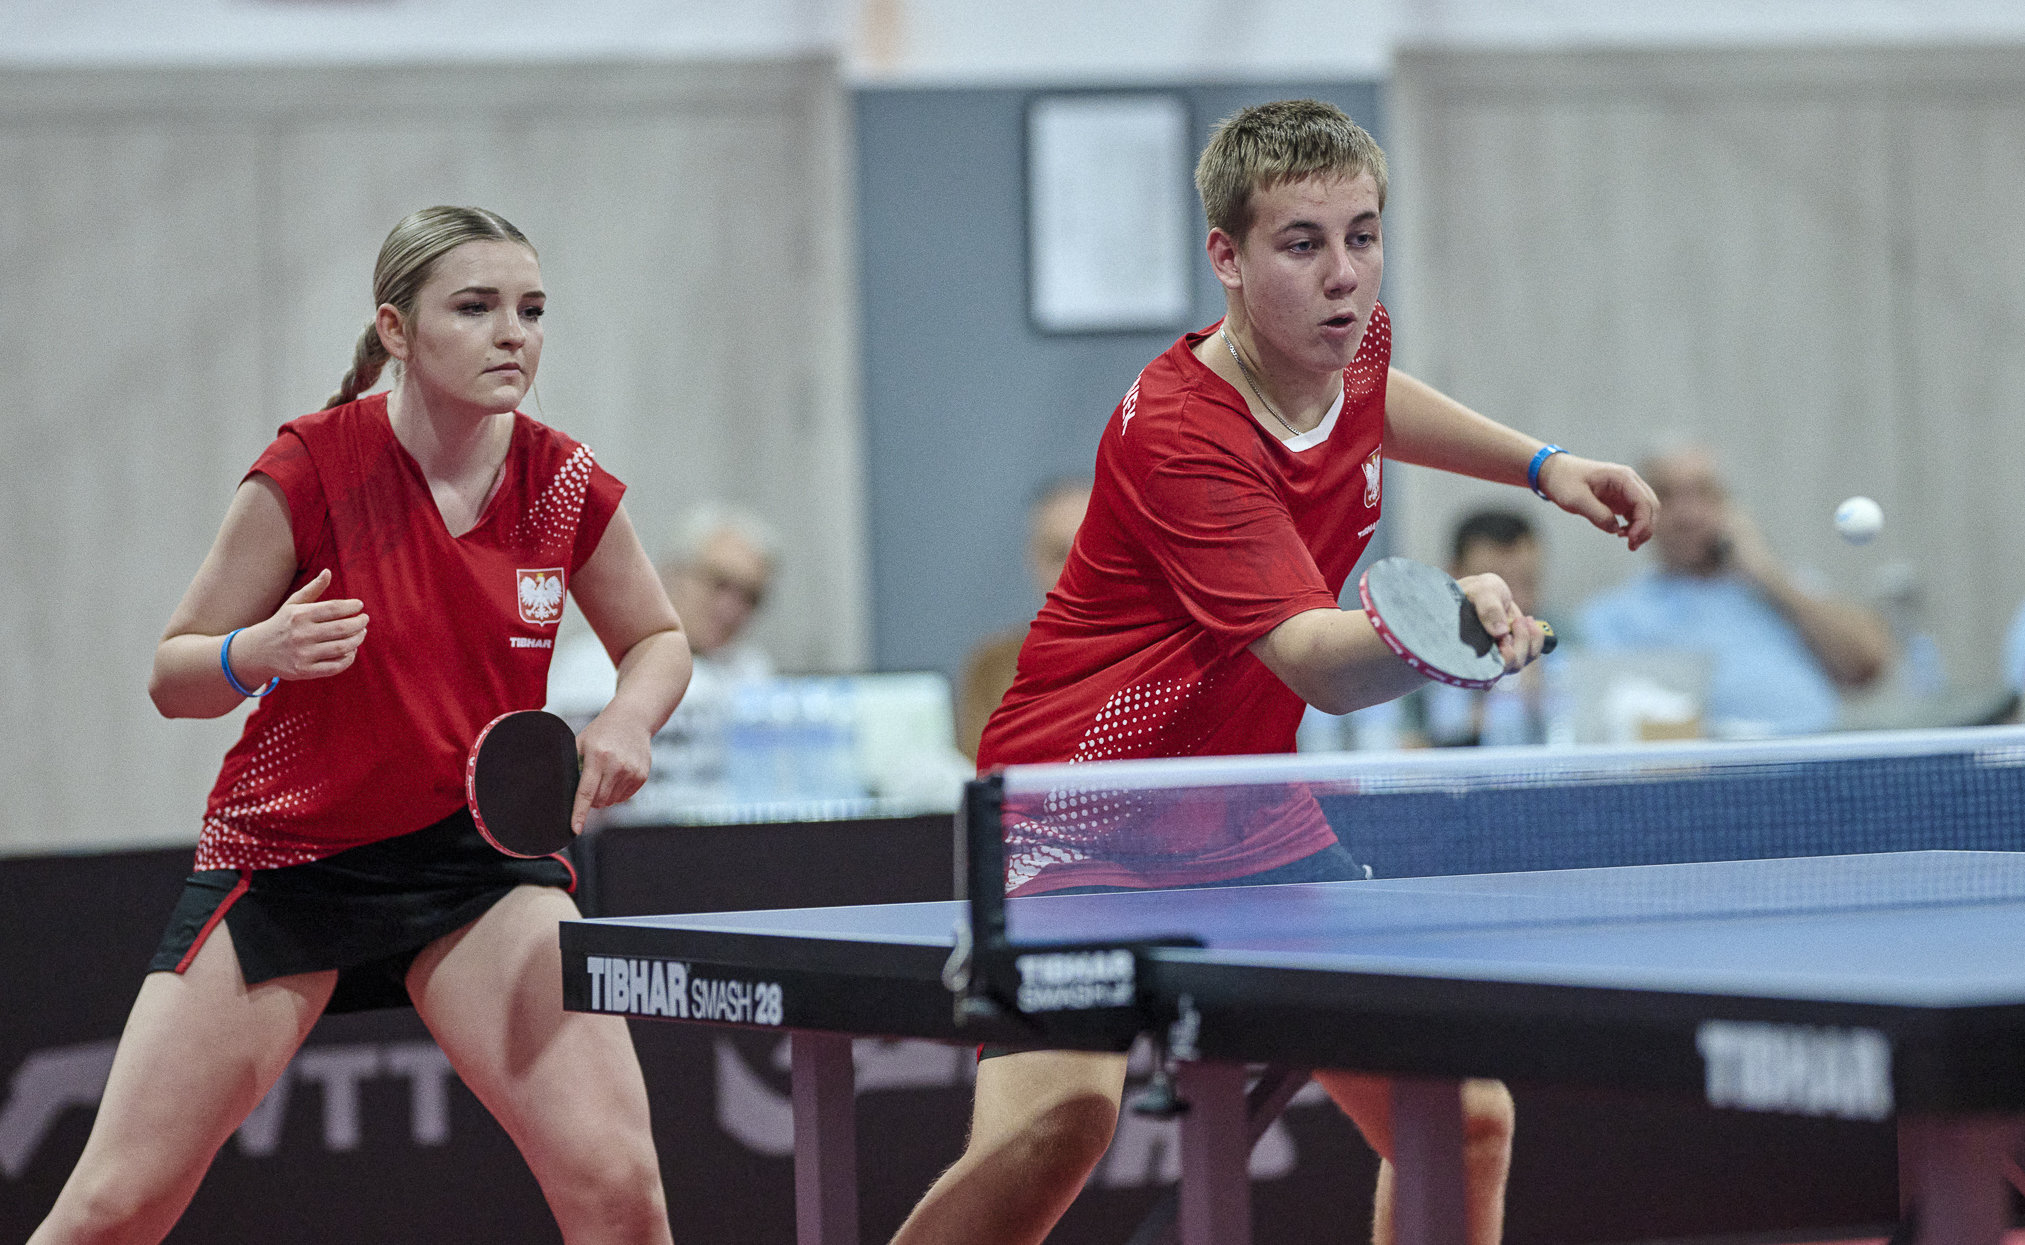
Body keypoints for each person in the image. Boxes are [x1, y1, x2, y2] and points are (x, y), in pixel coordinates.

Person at [893, 101, 1657, 1245]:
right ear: (1229, 258)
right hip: (1080, 809)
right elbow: (1321, 667)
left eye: (1363, 236)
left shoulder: (1347, 340)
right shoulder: (1181, 435)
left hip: (1246, 809)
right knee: (1058, 1126)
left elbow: (1372, 401)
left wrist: (1543, 465)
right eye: (1302, 244)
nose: (1344, 276)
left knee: (1462, 1122)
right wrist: (1444, 629)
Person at [30, 207, 690, 1245]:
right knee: (113, 1210)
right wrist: (260, 652)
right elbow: (173, 677)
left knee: (618, 1187)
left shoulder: (562, 480)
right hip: (290, 863)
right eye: (474, 308)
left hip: (478, 862)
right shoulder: (311, 468)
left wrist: (629, 718)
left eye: (531, 310)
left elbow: (657, 636)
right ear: (396, 329)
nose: (511, 334)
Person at [1580, 444, 1889, 737]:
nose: (1689, 515)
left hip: (1814, 758)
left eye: (1704, 492)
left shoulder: (1786, 587)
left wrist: (1766, 573)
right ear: (1636, 511)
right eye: (1666, 497)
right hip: (1706, 769)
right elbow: (1610, 726)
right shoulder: (1615, 616)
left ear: (1728, 503)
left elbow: (1867, 666)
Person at [955, 477, 1091, 759]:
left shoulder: (1167, 662)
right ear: (1034, 562)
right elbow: (982, 776)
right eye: (1059, 554)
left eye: (1091, 549)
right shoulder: (994, 671)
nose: (1075, 568)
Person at [1416, 509, 1556, 747]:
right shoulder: (1415, 653)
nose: (1517, 603)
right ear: (1453, 578)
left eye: (1527, 583)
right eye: (1499, 589)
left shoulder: (1563, 644)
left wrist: (1540, 700)